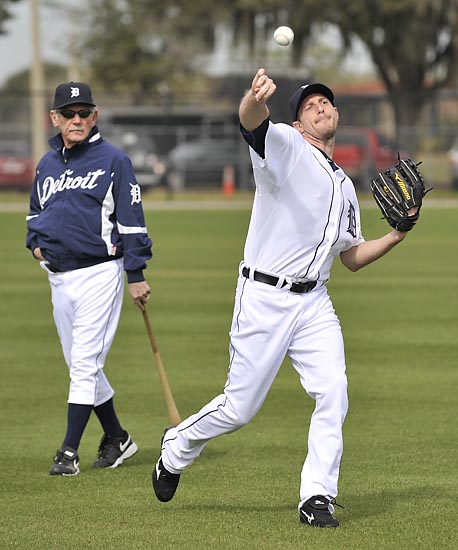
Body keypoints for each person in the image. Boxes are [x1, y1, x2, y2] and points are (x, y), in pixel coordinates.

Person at [151, 68, 415, 527]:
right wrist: (255, 98)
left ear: (337, 113)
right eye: (310, 106)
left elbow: (350, 257)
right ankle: (176, 448)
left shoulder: (346, 189)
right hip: (265, 297)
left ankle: (317, 497)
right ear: (297, 124)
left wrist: (396, 233)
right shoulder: (286, 148)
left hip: (315, 304)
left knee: (334, 391)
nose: (320, 107)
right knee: (239, 407)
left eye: (325, 102)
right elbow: (251, 121)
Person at [26, 82, 153, 476]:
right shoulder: (47, 163)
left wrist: (136, 274)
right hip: (59, 278)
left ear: (95, 117)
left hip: (100, 272)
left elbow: (132, 222)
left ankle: (68, 452)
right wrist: (35, 245)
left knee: (83, 364)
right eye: (68, 113)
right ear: (55, 119)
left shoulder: (114, 160)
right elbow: (35, 213)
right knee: (82, 366)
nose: (76, 119)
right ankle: (117, 437)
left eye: (84, 112)